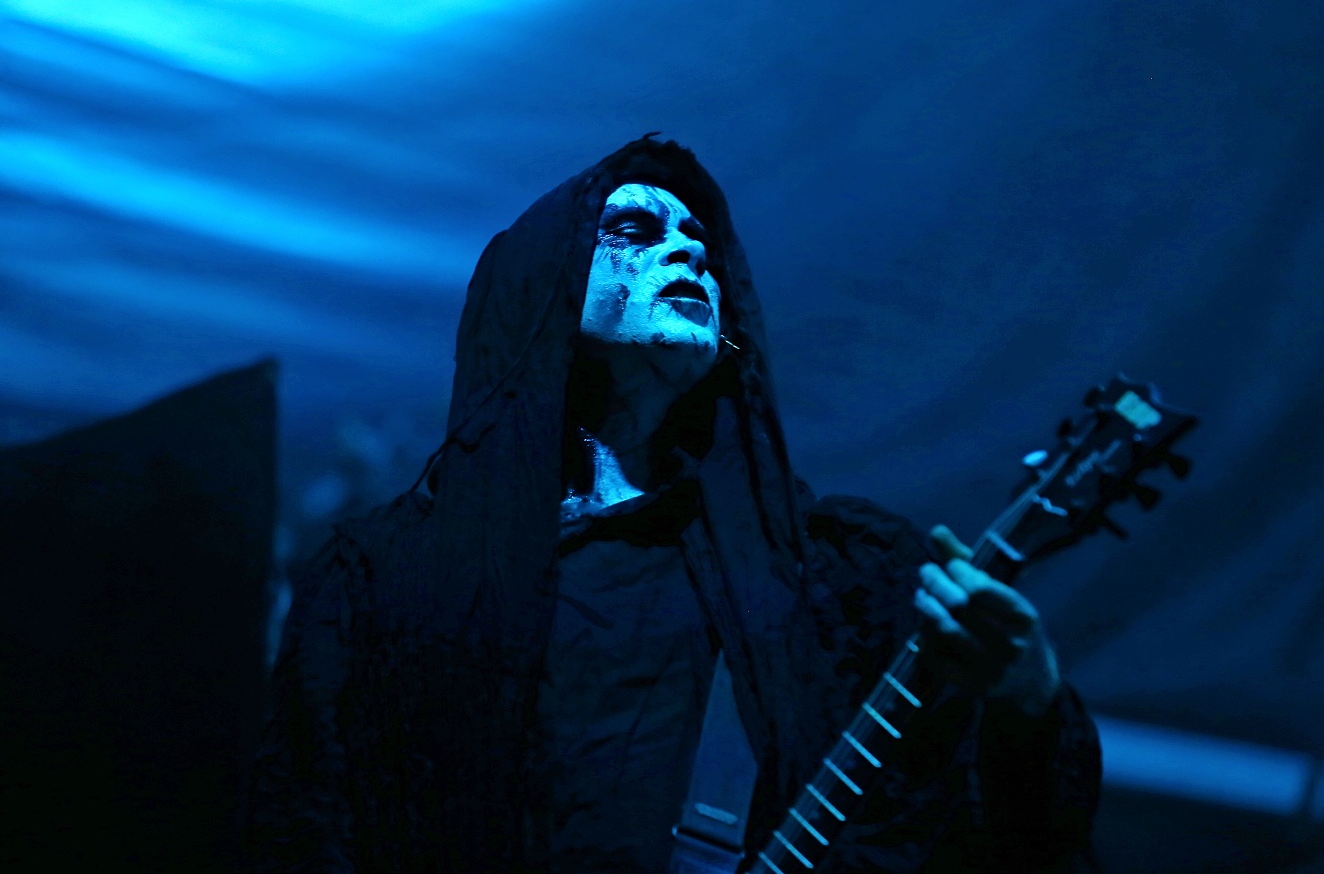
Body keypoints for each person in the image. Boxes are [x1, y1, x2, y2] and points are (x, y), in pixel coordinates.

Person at [245, 137, 1101, 872]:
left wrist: (1028, 697)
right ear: (542, 288)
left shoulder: (837, 575)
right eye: (634, 231)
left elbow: (975, 832)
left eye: (700, 240)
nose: (688, 251)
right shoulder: (383, 578)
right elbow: (304, 827)